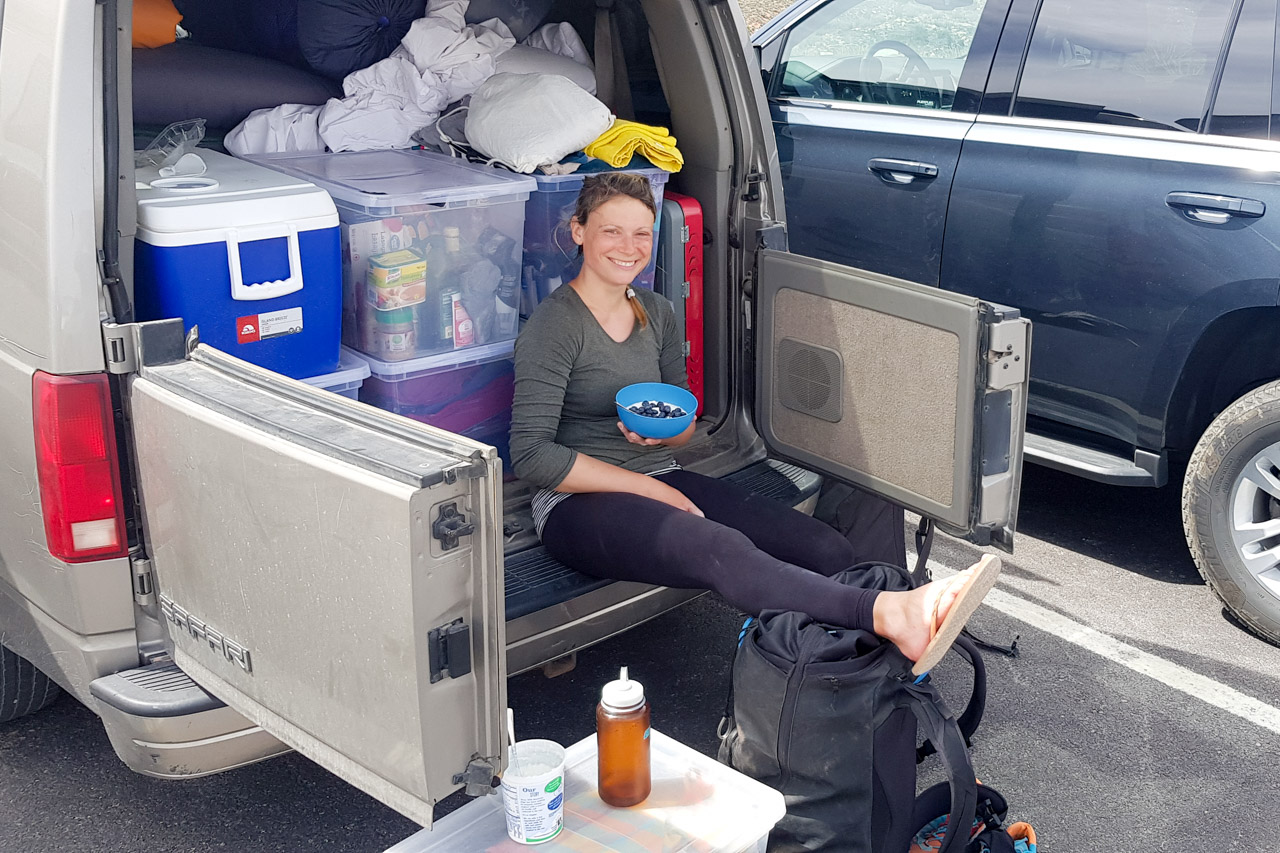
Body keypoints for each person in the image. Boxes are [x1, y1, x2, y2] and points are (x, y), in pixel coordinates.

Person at [509, 173, 999, 672]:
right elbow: (530, 454)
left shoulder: (655, 311)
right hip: (573, 503)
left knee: (824, 547)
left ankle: (860, 678)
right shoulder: (556, 324)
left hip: (658, 474)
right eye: (611, 231)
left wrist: (662, 433)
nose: (629, 247)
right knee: (719, 547)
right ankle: (894, 613)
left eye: (641, 233)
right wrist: (651, 489)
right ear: (579, 231)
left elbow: (683, 422)